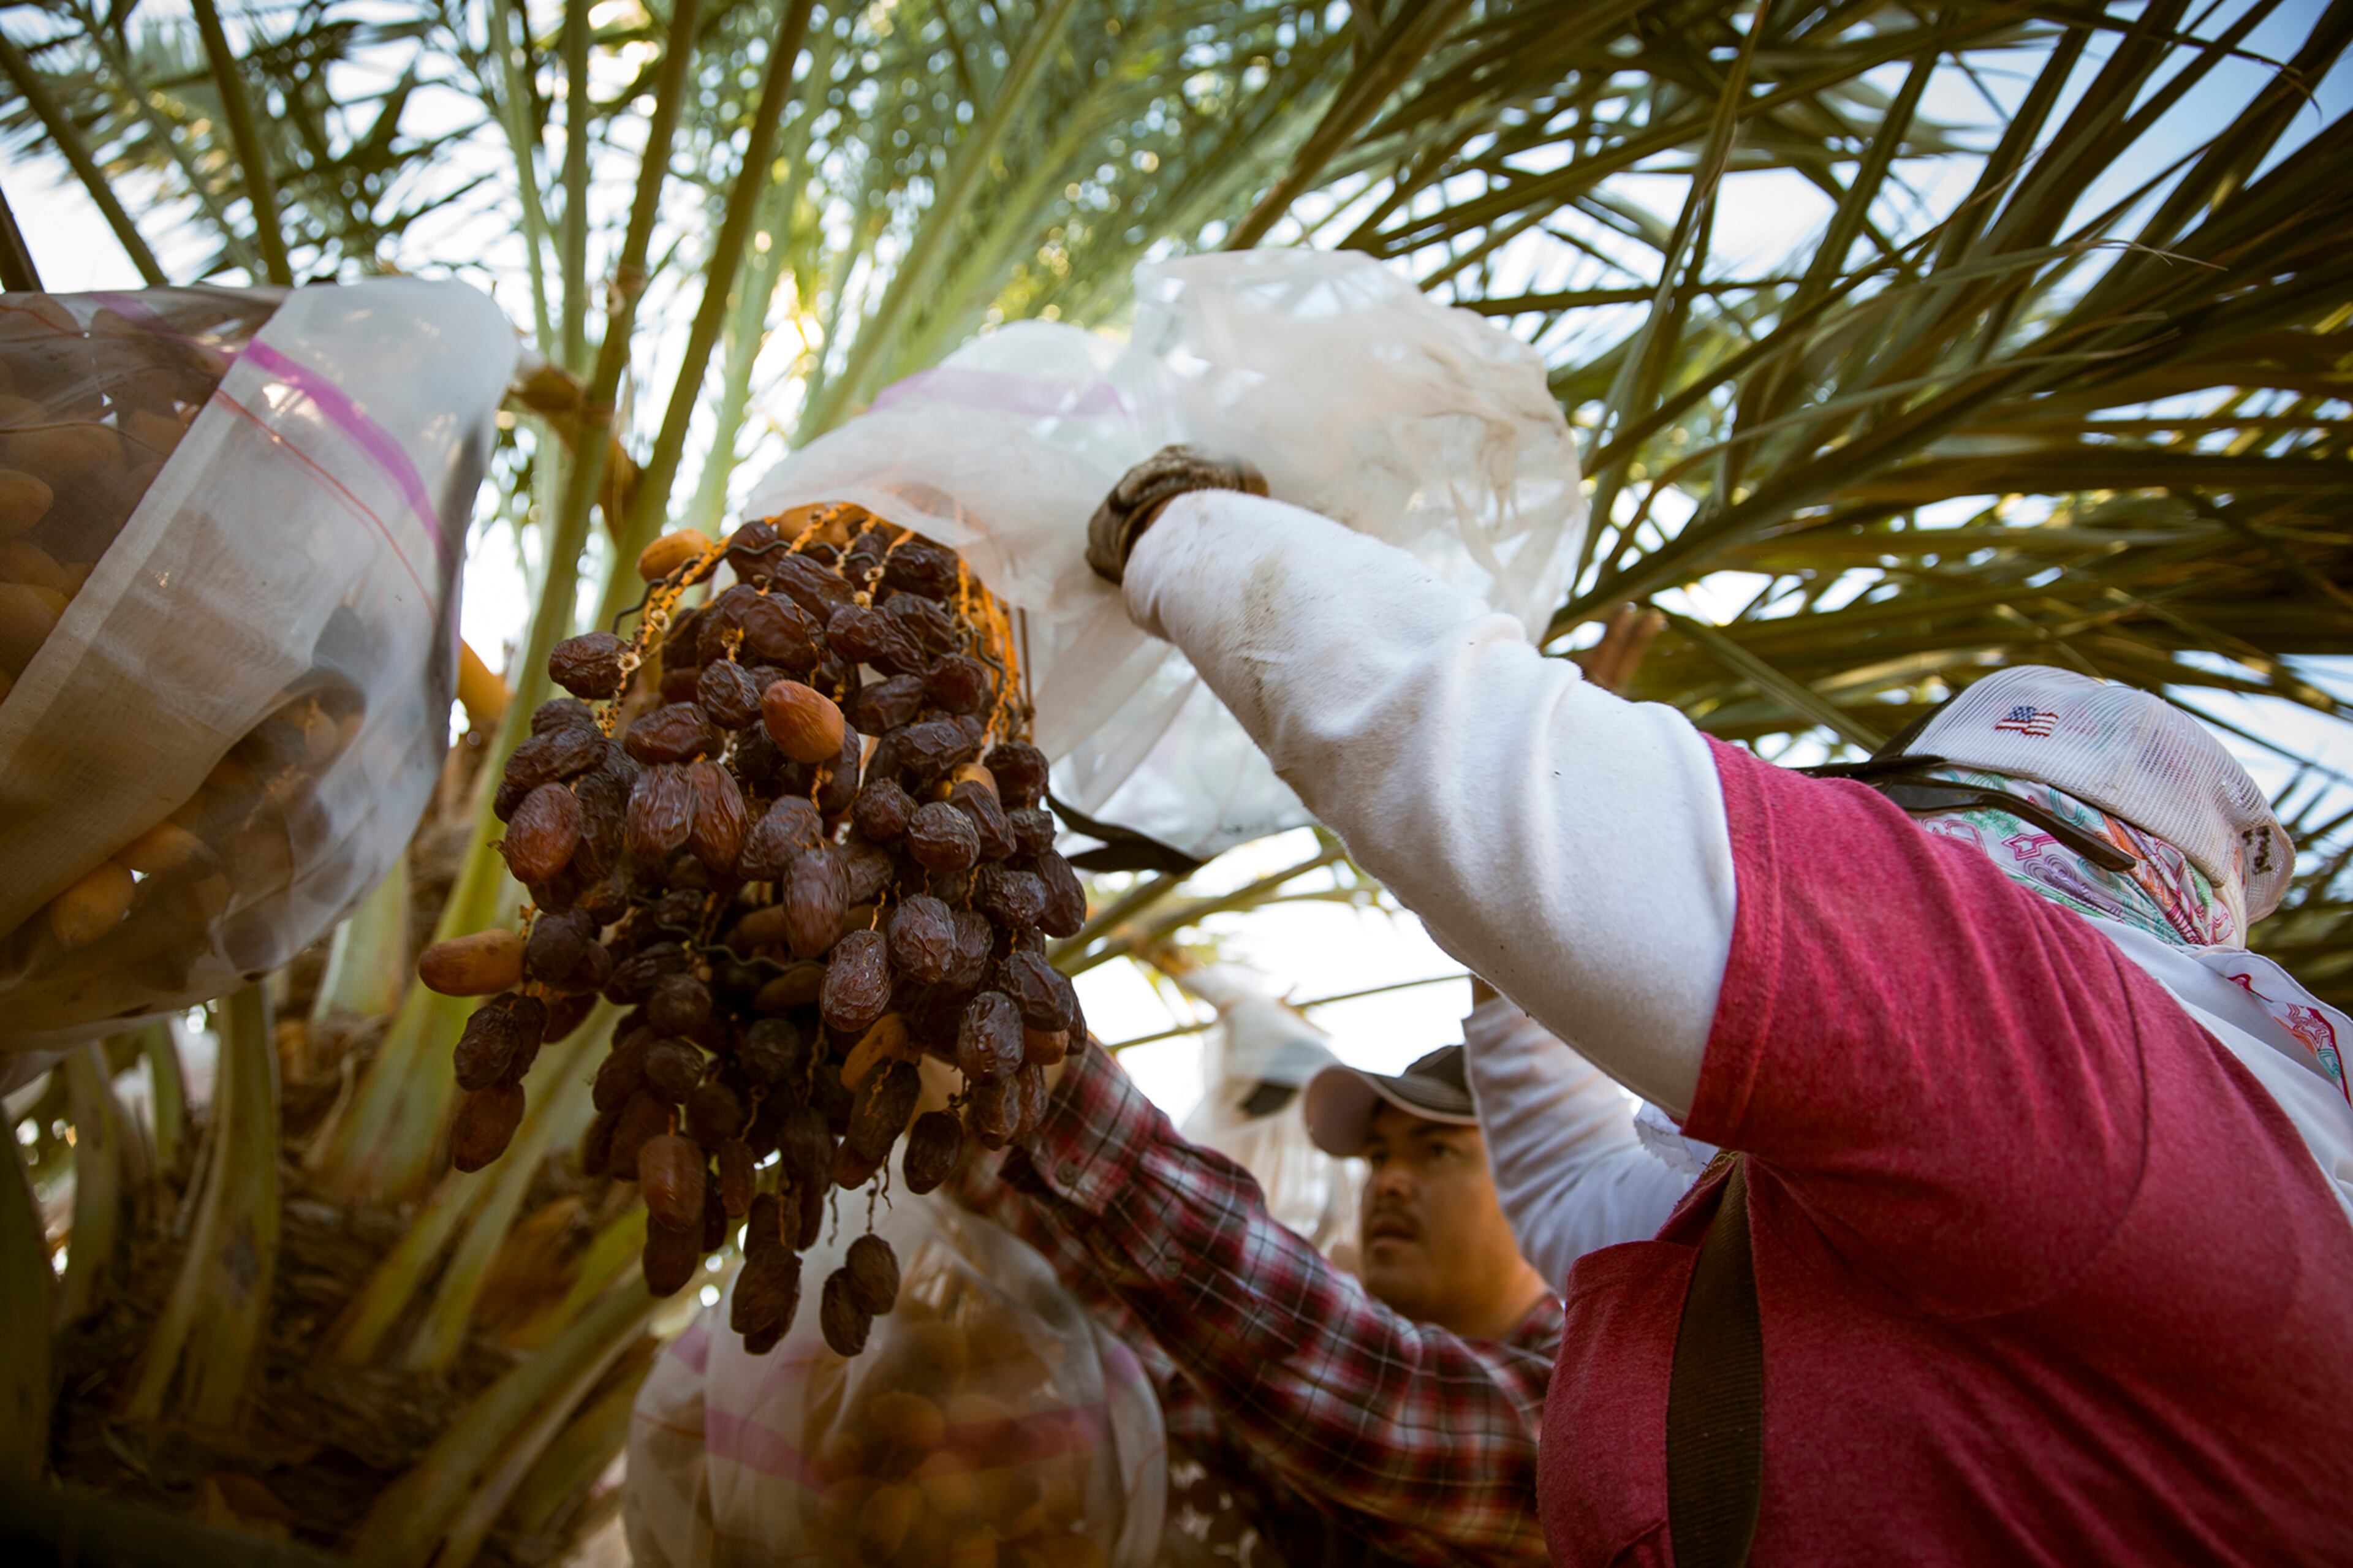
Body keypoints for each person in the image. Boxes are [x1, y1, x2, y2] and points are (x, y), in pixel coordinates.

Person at [1073, 447, 2353, 1565]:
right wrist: (1515, 942)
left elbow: (1480, 767)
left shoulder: (2084, 1075)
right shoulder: (1915, 1211)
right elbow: (1575, 1188)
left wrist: (1177, 519)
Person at [952, 1037, 1560, 1566]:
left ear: (1542, 1191)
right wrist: (976, 1143)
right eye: (1379, 1156)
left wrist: (1063, 1097)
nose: (1390, 1181)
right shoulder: (1293, 1418)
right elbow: (1165, 1361)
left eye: (1437, 1149)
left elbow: (1372, 1393)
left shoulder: (1578, 1411)